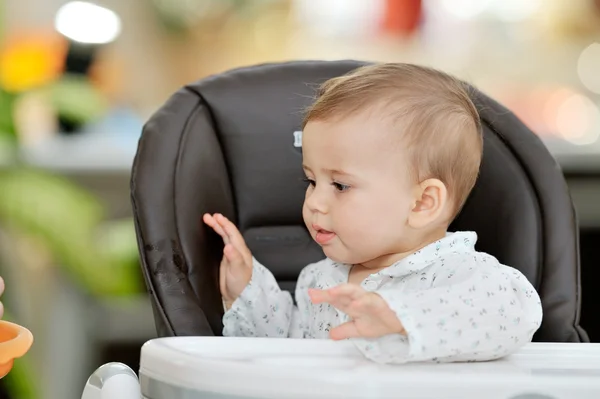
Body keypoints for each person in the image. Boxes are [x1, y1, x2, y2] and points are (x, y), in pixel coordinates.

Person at [203, 63, 543, 364]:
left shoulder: (465, 275)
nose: (314, 203)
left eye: (339, 186)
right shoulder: (320, 279)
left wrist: (400, 318)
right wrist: (247, 290)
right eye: (311, 180)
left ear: (422, 203)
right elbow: (286, 357)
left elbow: (513, 315)